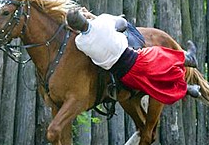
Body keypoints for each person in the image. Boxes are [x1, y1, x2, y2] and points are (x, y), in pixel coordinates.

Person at [67, 9, 200, 105]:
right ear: (85, 18)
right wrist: (91, 16)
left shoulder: (80, 42)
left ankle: (188, 89)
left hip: (123, 75)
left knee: (153, 85)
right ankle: (188, 59)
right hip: (136, 59)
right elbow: (123, 23)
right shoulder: (102, 21)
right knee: (161, 55)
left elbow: (85, 33)